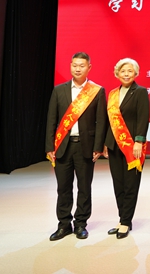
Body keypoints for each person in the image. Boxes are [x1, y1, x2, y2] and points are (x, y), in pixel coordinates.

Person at [45, 52, 107, 241]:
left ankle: (81, 224)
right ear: (70, 66)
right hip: (63, 146)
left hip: (85, 146)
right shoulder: (59, 90)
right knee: (63, 188)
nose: (77, 69)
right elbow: (51, 120)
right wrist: (49, 146)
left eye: (82, 65)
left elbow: (101, 121)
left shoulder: (96, 91)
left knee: (84, 187)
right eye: (74, 65)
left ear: (89, 67)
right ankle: (64, 224)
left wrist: (98, 147)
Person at [104, 58, 150, 239]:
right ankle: (122, 219)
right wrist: (106, 143)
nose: (126, 74)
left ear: (135, 73)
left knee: (131, 184)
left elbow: (143, 117)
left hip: (132, 146)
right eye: (123, 71)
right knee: (118, 184)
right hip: (114, 144)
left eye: (130, 71)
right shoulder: (113, 94)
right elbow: (109, 121)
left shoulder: (140, 92)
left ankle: (125, 221)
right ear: (117, 73)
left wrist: (139, 141)